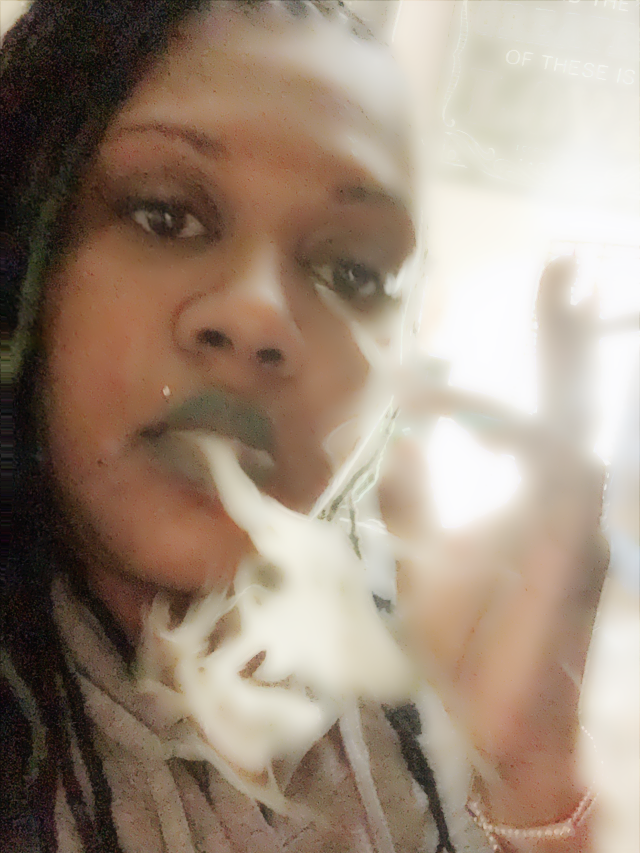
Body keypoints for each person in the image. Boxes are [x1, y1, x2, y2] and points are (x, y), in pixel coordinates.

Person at [1, 2, 608, 852]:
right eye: (165, 214)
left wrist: (534, 777)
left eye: (351, 269)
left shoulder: (420, 670)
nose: (260, 315)